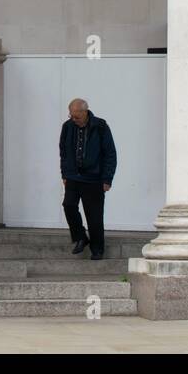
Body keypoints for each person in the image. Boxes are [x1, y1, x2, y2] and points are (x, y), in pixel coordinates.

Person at [59, 98, 117, 260]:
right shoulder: (67, 126)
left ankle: (97, 249)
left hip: (94, 179)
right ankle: (80, 237)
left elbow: (110, 154)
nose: (73, 119)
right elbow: (63, 152)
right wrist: (64, 173)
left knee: (94, 216)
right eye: (71, 115)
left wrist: (107, 179)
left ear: (85, 112)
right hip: (72, 177)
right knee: (68, 205)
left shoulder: (100, 126)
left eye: (77, 116)